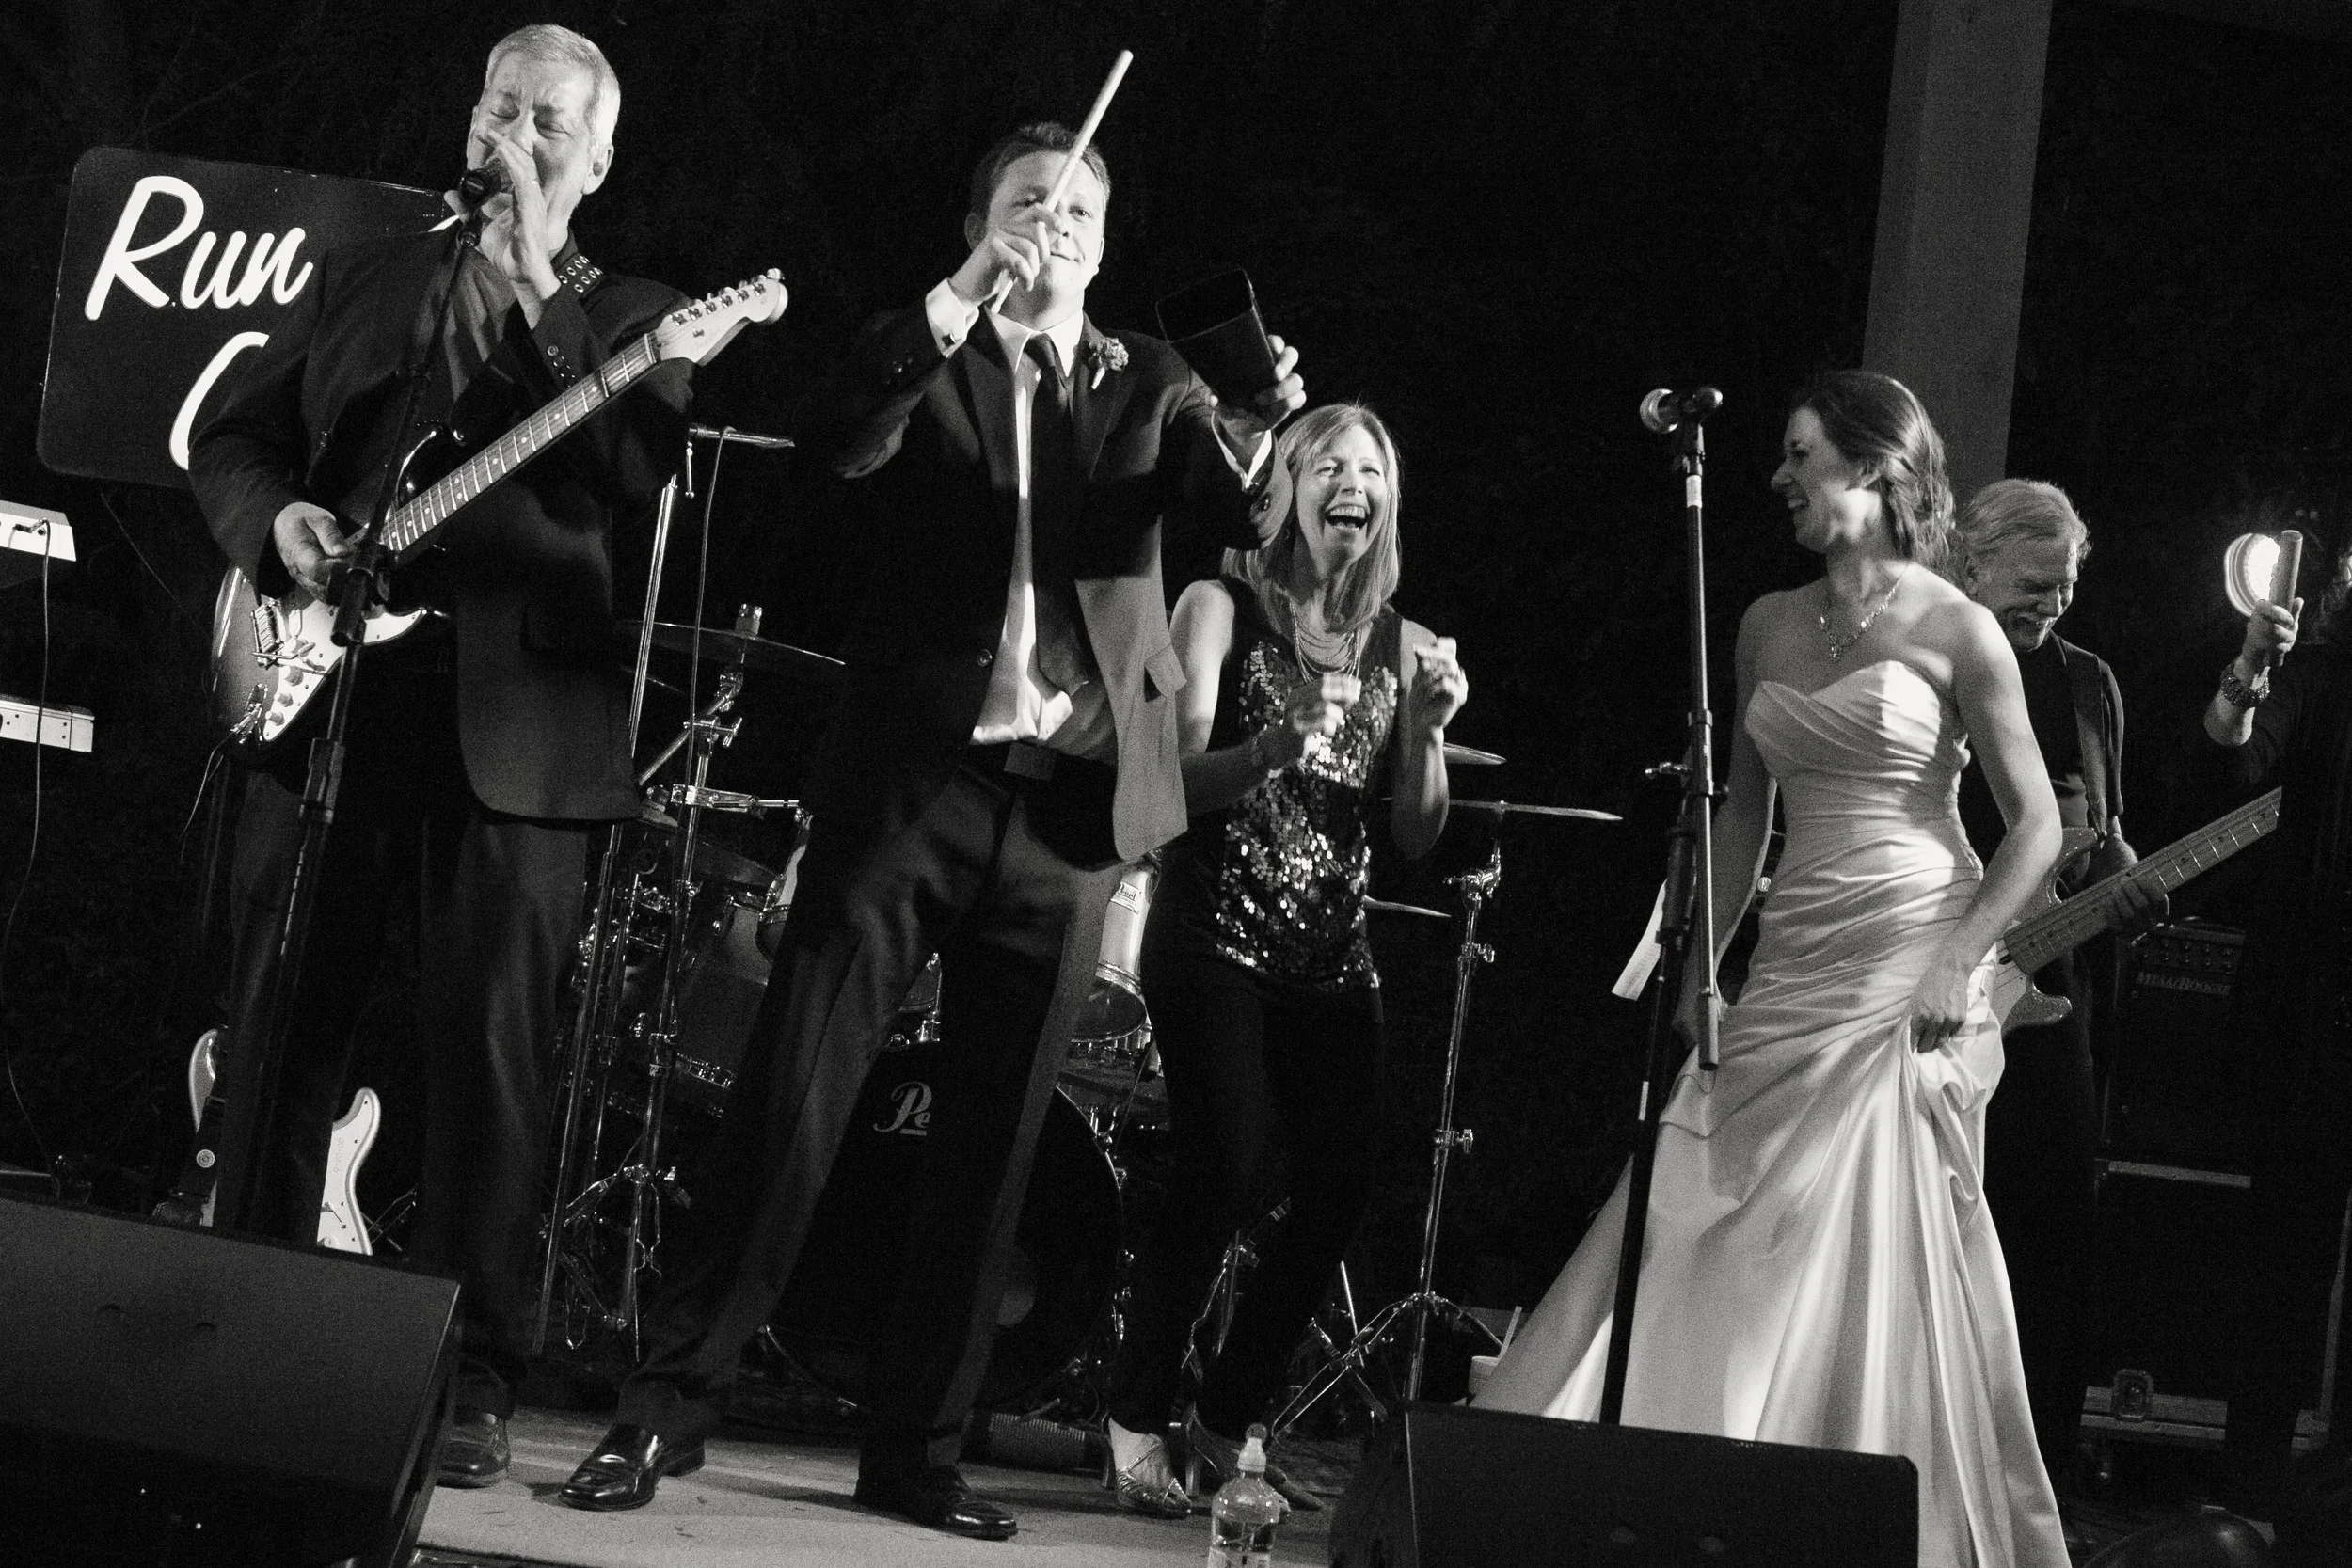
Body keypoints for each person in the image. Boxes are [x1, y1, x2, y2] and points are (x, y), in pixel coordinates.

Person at [558, 121, 1303, 1539]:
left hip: (1070, 809)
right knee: (793, 1095)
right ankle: (666, 1405)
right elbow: (836, 440)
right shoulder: (930, 349)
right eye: (1030, 200)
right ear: (981, 224)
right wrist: (959, 299)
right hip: (916, 784)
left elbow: (1233, 515)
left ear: (1104, 244)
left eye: (1080, 209)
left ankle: (917, 1451)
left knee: (996, 1148)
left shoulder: (1150, 381)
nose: (1056, 222)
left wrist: (1259, 429)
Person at [188, 24, 690, 1488]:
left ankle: (466, 1376)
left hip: (519, 732)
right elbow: (235, 438)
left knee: (488, 1061)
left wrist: (534, 273)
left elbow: (630, 467)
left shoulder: (640, 315)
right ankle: (244, 1323)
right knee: (281, 1028)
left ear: (598, 159)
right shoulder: (374, 274)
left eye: (549, 121)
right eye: (496, 106)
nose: (511, 135)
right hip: (335, 704)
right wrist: (279, 524)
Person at [1477, 371, 2069, 1567]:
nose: (1778, 478)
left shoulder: (1956, 626)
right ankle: (1677, 1475)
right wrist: (1701, 964)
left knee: (1852, 1216)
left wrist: (1958, 958)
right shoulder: (1762, 622)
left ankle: (1845, 1501)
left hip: (1907, 946)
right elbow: (1744, 814)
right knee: (1708, 1199)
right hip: (1795, 949)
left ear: (1875, 466)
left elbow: (2038, 826)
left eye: (1800, 455)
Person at [1096, 403, 1468, 1516]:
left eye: (1372, 470)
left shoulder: (1405, 643)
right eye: (1330, 466)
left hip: (1329, 954)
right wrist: (1273, 744)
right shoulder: (1219, 606)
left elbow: (1414, 835)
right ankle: (1132, 1413)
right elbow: (1167, 787)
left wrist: (1430, 729)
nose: (1353, 484)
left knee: (1338, 1190)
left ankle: (1224, 1421)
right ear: (1286, 489)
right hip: (1212, 931)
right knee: (1226, 1162)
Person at [1952, 479, 2161, 1504]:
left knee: (2053, 1235)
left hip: (2051, 993)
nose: (2051, 604)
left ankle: (2031, 1486)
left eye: (2066, 586)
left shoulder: (2087, 683)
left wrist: (2126, 876)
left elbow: (2103, 827)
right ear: (1971, 560)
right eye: (2033, 583)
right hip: (1937, 981)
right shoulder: (1936, 652)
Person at [2203, 545, 2352, 1531]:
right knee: (2284, 1268)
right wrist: (2251, 666)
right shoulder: (2323, 677)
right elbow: (2234, 753)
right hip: (2316, 1020)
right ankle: (2250, 1500)